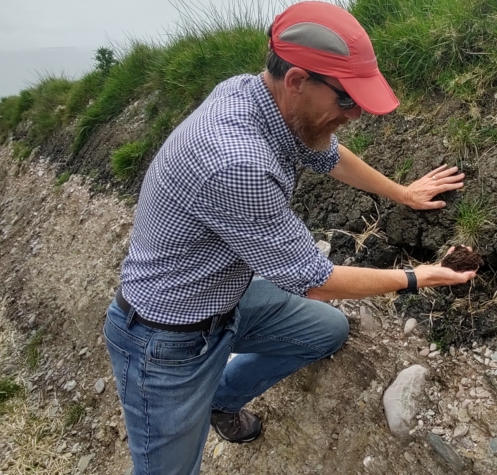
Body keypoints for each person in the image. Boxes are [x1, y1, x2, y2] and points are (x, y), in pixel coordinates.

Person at [102, 2, 477, 473]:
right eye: (346, 100)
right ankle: (194, 403)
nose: (355, 114)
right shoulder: (238, 162)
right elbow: (315, 280)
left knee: (326, 329)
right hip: (166, 340)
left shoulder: (255, 94)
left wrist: (403, 193)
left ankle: (218, 400)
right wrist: (415, 278)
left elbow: (330, 156)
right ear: (298, 80)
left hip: (228, 297)